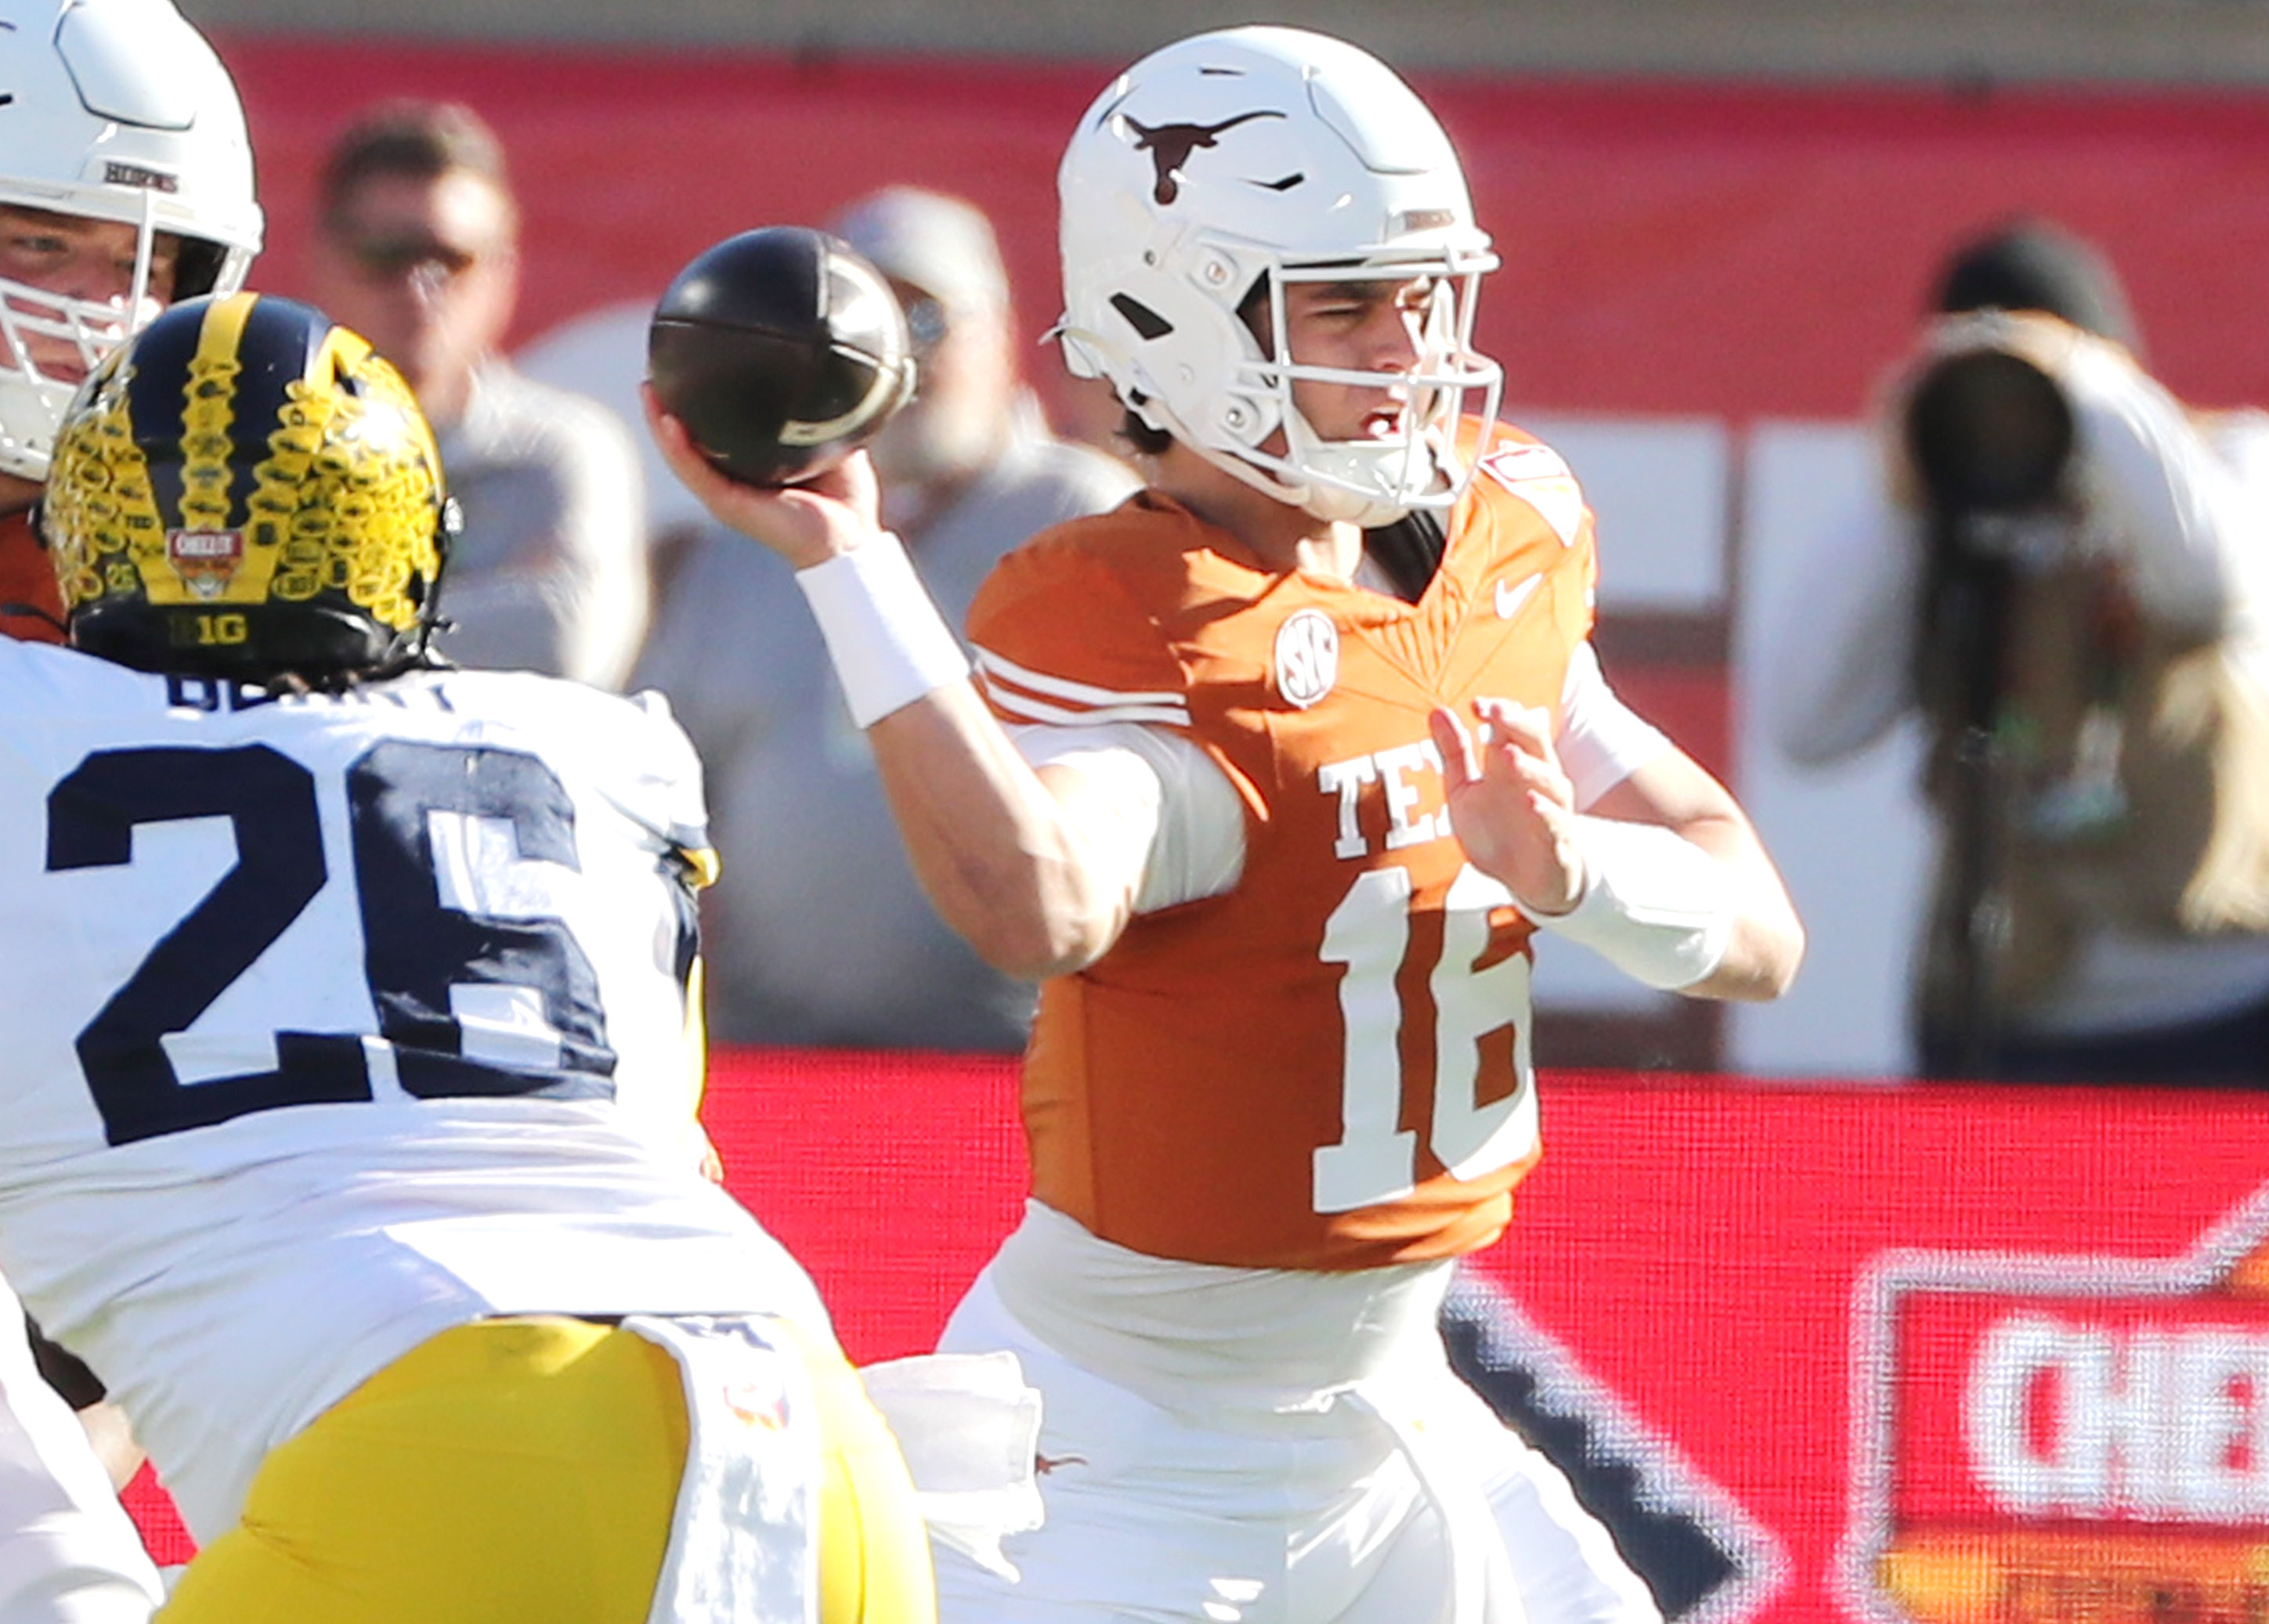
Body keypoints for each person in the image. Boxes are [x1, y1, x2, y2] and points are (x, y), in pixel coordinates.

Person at [650, 24, 1803, 1622]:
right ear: (1173, 317)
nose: (1409, 346)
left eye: (1424, 292)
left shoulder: (1497, 538)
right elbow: (1035, 896)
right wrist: (848, 564)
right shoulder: (1131, 608)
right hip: (1124, 1445)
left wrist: (1572, 867)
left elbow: (1759, 930)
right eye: (1348, 299)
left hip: (1400, 1408)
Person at [5, 289, 941, 1622]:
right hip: (816, 1447)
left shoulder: (26, 728)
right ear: (409, 539)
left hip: (437, 1462)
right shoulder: (598, 749)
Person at [1765, 218, 2269, 1085]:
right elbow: (1808, 723)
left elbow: (2212, 587)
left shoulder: (2242, 462)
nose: (2012, 411)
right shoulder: (1953, 522)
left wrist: (2077, 377)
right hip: (2008, 1019)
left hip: (2235, 1010)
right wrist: (1901, 492)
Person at [632, 186, 1138, 1052]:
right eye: (871, 329)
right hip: (765, 1065)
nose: (902, 361)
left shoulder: (1085, 521)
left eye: (930, 321)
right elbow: (658, 801)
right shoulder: (745, 543)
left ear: (1006, 333)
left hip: (1011, 1072)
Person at [0, 2, 262, 1616]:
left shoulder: (221, 565)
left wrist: (67, 1444)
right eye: (44, 243)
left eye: (144, 264)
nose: (99, 314)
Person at [311, 98, 651, 690]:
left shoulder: (559, 452)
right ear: (327, 261)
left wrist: (311, 634)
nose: (422, 286)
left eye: (452, 257)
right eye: (388, 255)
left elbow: (564, 644)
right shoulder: (264, 446)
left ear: (503, 272)